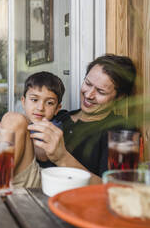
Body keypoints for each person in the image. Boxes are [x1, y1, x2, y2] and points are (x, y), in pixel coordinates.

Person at [29, 54, 137, 184]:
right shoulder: (60, 117)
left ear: (119, 97)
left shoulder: (122, 133)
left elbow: (117, 189)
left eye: (101, 91)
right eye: (87, 83)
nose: (89, 94)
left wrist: (62, 157)